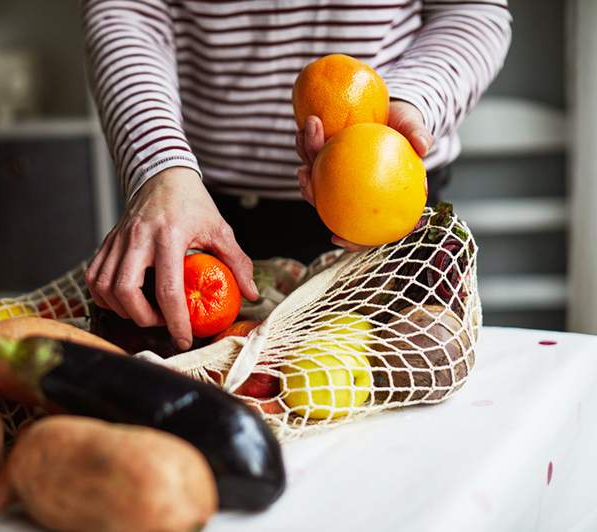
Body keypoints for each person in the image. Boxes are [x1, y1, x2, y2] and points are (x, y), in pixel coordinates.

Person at [81, 0, 512, 351]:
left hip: (390, 200)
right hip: (199, 216)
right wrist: (159, 164)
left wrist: (408, 103)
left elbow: (472, 9)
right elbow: (127, 11)